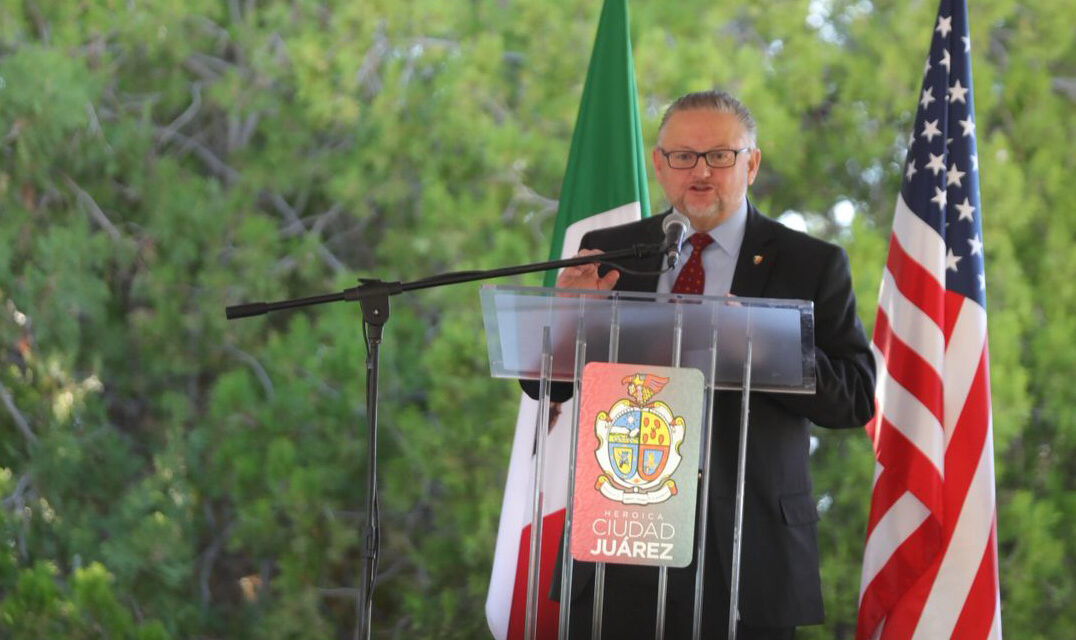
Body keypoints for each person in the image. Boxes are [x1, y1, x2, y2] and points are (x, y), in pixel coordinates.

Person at [529, 90, 876, 638]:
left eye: (720, 156)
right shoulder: (611, 250)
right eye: (684, 157)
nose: (701, 171)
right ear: (660, 165)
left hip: (747, 542)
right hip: (623, 530)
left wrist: (768, 347)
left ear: (752, 164)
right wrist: (568, 318)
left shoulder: (811, 262)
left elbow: (854, 397)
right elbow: (543, 384)